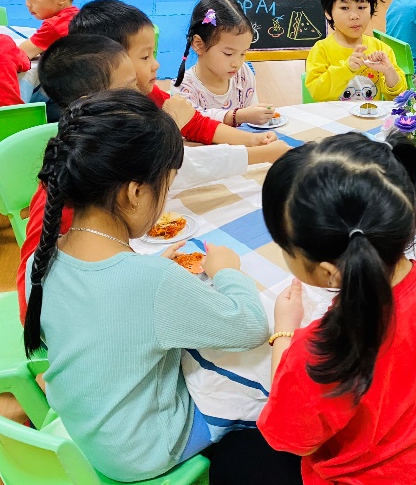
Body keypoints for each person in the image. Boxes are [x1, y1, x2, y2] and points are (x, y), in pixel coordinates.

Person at [23, 89, 269, 482]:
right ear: (135, 193)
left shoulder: (42, 257)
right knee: (257, 380)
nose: (164, 198)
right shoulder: (151, 281)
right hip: (144, 450)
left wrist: (149, 274)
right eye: (166, 187)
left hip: (88, 429)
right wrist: (227, 272)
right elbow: (251, 327)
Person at [254, 133, 416, 483]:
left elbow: (294, 439)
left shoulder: (321, 350)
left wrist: (283, 333)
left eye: (285, 246)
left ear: (328, 272)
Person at [16, 34, 289, 324]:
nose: (144, 89)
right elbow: (34, 295)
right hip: (81, 322)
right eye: (130, 86)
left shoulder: (100, 150)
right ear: (93, 105)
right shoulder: (79, 177)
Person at [69, 0, 277, 149]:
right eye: (145, 57)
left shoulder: (152, 95)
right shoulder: (88, 121)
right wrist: (172, 121)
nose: (156, 65)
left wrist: (253, 140)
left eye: (153, 54)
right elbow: (144, 157)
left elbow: (197, 124)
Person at [174, 0, 276, 126]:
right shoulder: (184, 88)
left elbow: (253, 121)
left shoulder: (243, 74)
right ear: (199, 44)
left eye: (243, 53)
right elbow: (195, 124)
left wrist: (262, 116)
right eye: (228, 54)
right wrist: (238, 116)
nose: (237, 63)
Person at [306, 0, 405, 101]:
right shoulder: (321, 50)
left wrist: (388, 71)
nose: (354, 16)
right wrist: (346, 68)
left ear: (371, 9)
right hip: (334, 114)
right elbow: (317, 93)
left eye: (361, 7)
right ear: (328, 13)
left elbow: (398, 96)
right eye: (345, 8)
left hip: (370, 114)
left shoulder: (381, 49)